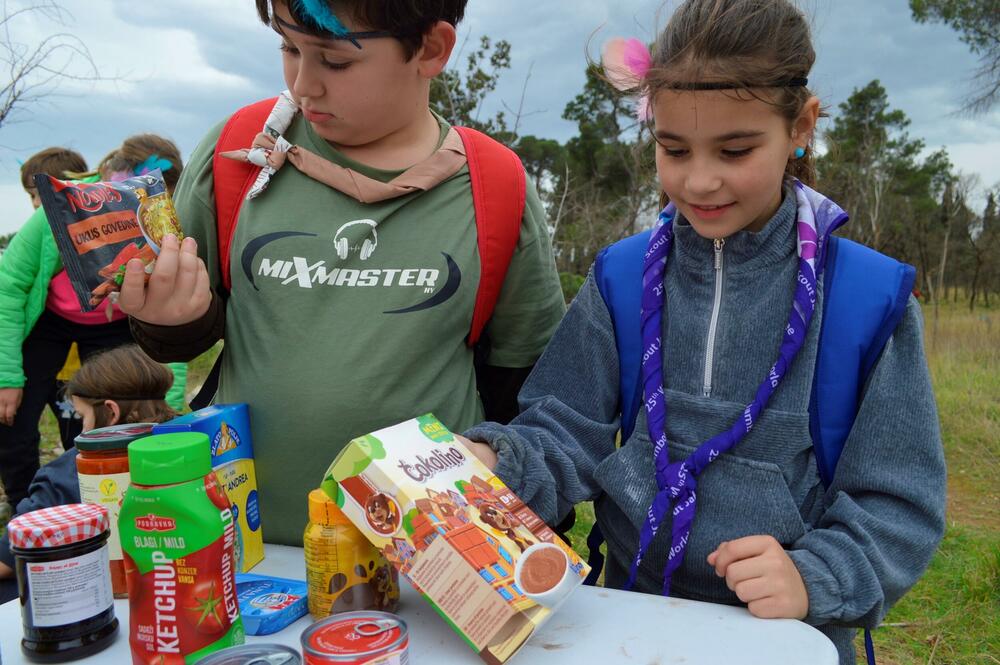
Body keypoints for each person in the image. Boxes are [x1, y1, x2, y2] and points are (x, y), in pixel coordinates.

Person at [458, 2, 946, 663]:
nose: (699, 179)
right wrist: (494, 465)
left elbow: (899, 501)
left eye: (735, 149)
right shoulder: (623, 276)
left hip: (784, 642)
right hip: (625, 625)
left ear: (800, 126)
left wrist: (815, 575)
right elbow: (565, 429)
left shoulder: (867, 299)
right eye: (673, 149)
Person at [121, 0, 565, 546]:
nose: (304, 85)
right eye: (288, 48)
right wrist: (170, 320)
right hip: (248, 558)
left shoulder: (494, 186)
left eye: (334, 61)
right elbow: (188, 331)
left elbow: (530, 388)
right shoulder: (236, 155)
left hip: (429, 564)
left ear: (430, 49)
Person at [0, 135, 188, 512]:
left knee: (125, 410)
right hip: (52, 320)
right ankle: (28, 507)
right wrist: (7, 378)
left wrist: (166, 398)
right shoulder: (57, 209)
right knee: (13, 417)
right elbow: (9, 289)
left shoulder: (168, 220)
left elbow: (173, 322)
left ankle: (108, 497)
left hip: (119, 321)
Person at [0, 344, 179, 603]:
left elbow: (8, 560)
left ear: (111, 412)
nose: (81, 427)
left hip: (97, 598)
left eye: (82, 416)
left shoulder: (66, 473)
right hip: (175, 585)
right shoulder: (194, 440)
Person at [18, 148, 91, 453]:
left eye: (38, 194)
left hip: (86, 351)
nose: (35, 203)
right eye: (30, 196)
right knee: (42, 416)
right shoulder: (34, 241)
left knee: (76, 422)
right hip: (51, 347)